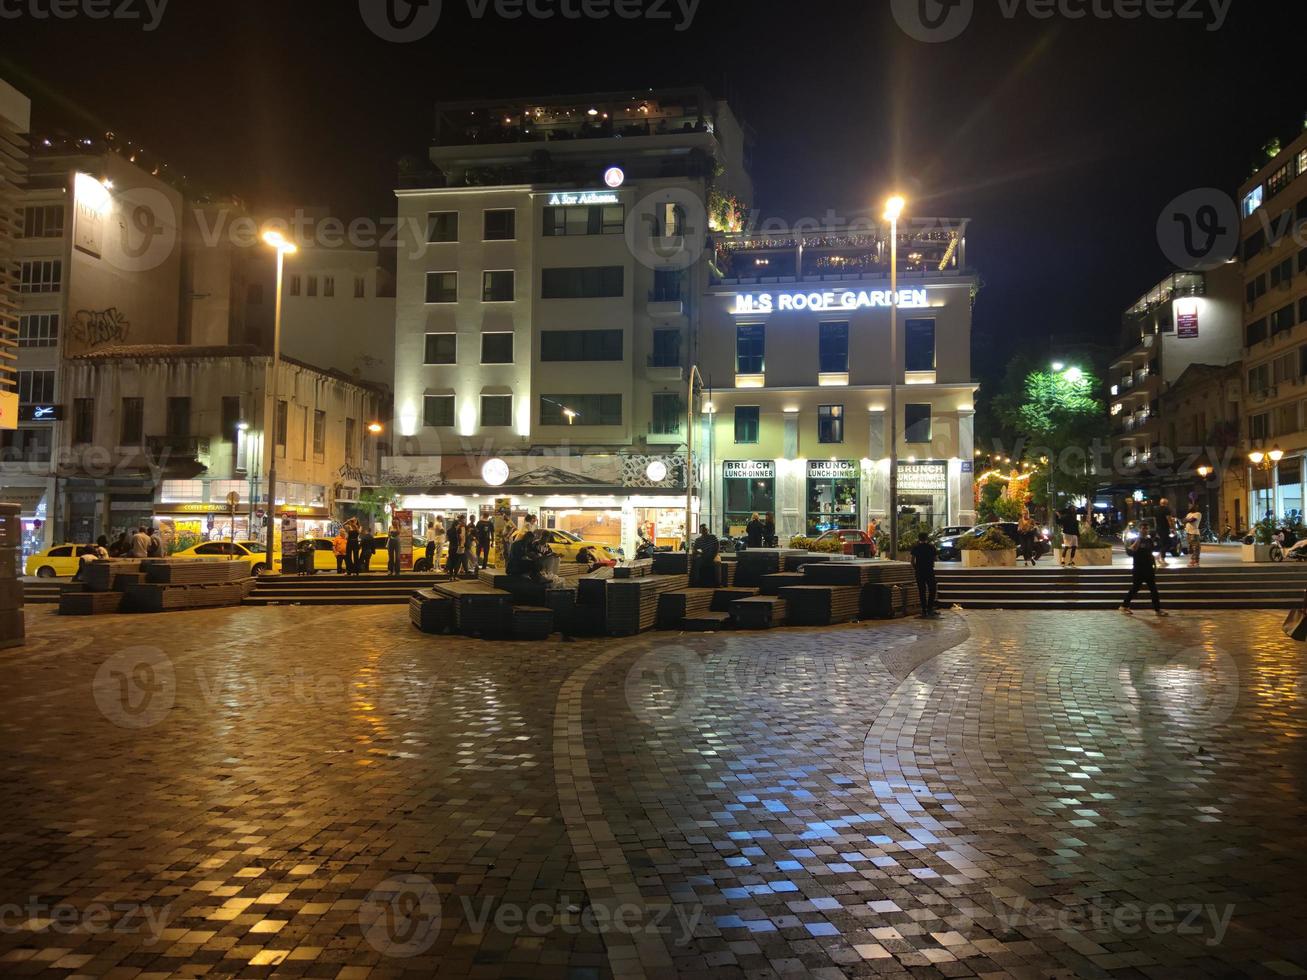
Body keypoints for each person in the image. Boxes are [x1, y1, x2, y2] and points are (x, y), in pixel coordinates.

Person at [1122, 520, 1167, 617]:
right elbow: (1131, 551)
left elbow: (1152, 552)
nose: (1145, 530)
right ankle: (1124, 606)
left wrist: (1155, 565)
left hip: (1148, 568)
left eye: (1147, 528)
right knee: (1135, 588)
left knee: (1154, 590)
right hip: (1138, 568)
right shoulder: (1135, 539)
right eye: (1143, 528)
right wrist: (1138, 540)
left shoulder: (1149, 540)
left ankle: (1158, 609)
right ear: (1139, 529)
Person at [910, 532, 939, 618]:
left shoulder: (916, 548)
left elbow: (912, 561)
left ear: (919, 538)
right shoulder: (931, 547)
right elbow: (935, 559)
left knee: (921, 591)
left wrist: (916, 568)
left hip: (919, 571)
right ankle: (930, 608)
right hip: (929, 571)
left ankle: (924, 609)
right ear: (927, 538)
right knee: (932, 589)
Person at [1155, 497, 1175, 568]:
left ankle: (1160, 557)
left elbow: (1155, 519)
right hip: (1165, 529)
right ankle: (1161, 558)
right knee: (1168, 544)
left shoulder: (1156, 509)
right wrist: (1172, 528)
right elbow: (1169, 520)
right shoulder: (1166, 509)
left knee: (1163, 543)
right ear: (1166, 503)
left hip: (1159, 529)